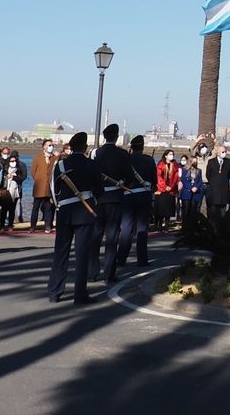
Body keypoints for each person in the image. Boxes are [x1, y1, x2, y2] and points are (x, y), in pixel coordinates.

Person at [47, 131, 103, 305]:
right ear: (85, 147)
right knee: (82, 255)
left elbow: (53, 190)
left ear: (70, 147)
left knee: (60, 253)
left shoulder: (61, 165)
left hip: (64, 213)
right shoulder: (92, 165)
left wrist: (59, 206)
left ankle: (55, 292)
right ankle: (80, 294)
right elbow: (99, 191)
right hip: (85, 213)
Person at [92, 124, 134, 285]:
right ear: (116, 137)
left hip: (99, 198)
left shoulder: (96, 154)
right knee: (112, 237)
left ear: (104, 137)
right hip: (115, 198)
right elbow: (130, 177)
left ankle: (92, 271)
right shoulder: (122, 155)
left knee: (95, 236)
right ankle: (108, 273)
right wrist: (122, 184)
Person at [117, 135, 155, 269]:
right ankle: (142, 259)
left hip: (128, 196)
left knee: (126, 229)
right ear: (142, 146)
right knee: (142, 230)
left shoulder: (126, 160)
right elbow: (154, 181)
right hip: (144, 196)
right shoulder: (149, 160)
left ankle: (121, 258)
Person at [30, 142, 57, 233]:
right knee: (35, 208)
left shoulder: (54, 157)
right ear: (44, 147)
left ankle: (48, 226)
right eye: (49, 145)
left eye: (52, 145)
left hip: (49, 187)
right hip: (39, 187)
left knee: (48, 208)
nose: (51, 147)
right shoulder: (38, 157)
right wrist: (38, 179)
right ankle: (33, 226)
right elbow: (33, 171)